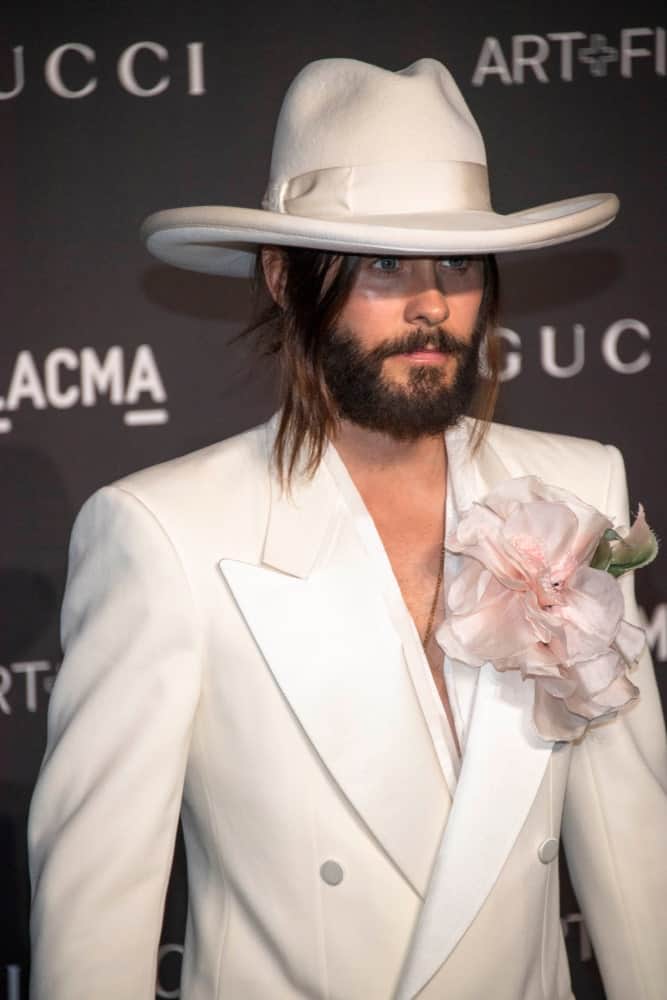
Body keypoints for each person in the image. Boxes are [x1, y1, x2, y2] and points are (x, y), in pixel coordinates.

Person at [27, 57, 667, 1000]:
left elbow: (633, 847)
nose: (428, 303)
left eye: (455, 263)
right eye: (380, 265)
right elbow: (98, 923)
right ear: (286, 279)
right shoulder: (162, 533)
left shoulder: (577, 488)